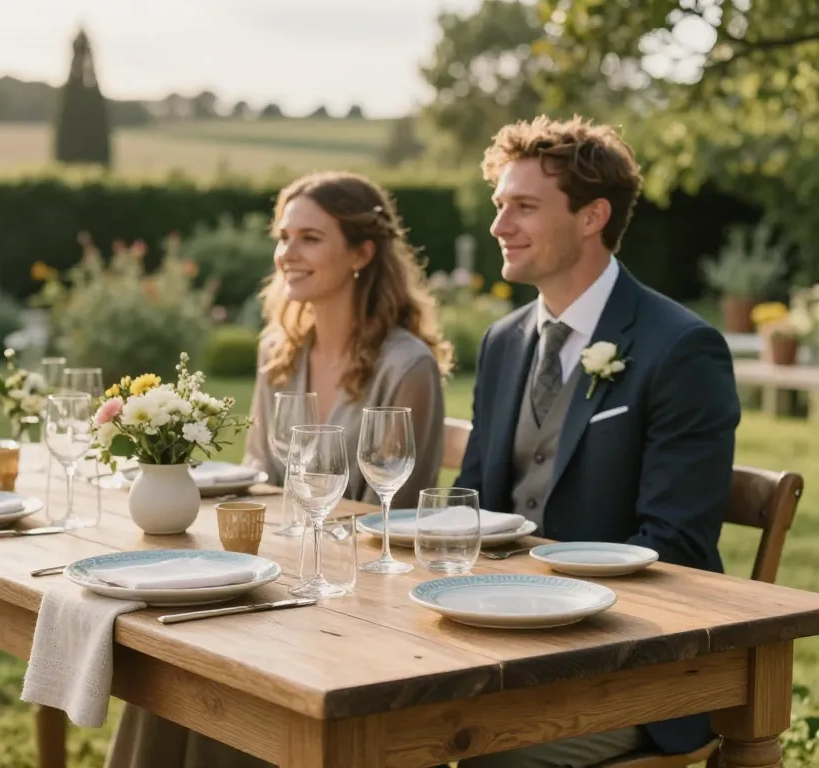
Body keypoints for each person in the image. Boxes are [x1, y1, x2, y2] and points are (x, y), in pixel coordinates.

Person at [104, 170, 454, 768]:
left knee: (224, 666)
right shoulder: (280, 352)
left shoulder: (406, 367)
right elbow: (262, 475)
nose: (286, 253)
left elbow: (391, 517)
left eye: (310, 238)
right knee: (180, 654)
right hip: (284, 573)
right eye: (284, 236)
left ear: (362, 253)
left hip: (356, 599)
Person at [453, 114, 742, 768]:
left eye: (523, 207)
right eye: (500, 206)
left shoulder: (681, 348)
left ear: (592, 217)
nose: (500, 226)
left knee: (474, 753)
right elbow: (476, 513)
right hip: (494, 652)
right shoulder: (502, 342)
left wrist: (534, 602)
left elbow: (677, 546)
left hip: (634, 677)